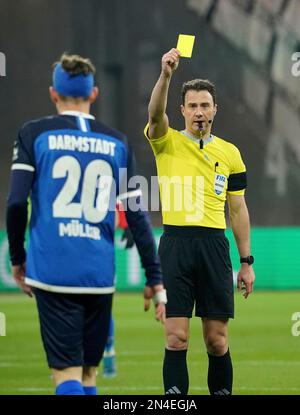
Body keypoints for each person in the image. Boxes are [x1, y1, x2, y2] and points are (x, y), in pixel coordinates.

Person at [6, 53, 166, 395]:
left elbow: (17, 202)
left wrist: (18, 258)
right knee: (88, 375)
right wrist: (155, 277)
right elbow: (137, 214)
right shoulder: (119, 143)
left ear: (53, 93)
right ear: (94, 95)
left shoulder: (34, 134)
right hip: (98, 273)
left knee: (65, 376)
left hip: (53, 269)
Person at [144, 48, 255, 395]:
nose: (199, 112)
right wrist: (165, 74)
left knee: (217, 341)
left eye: (205, 105)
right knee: (176, 339)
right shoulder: (166, 141)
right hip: (175, 246)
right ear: (182, 111)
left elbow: (237, 210)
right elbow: (154, 112)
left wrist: (246, 262)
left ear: (215, 109)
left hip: (214, 247)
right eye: (192, 106)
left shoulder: (230, 153)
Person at [102, 200, 135, 378]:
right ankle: (108, 354)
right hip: (98, 257)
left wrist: (127, 223)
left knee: (99, 306)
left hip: (99, 257)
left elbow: (118, 198)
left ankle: (108, 352)